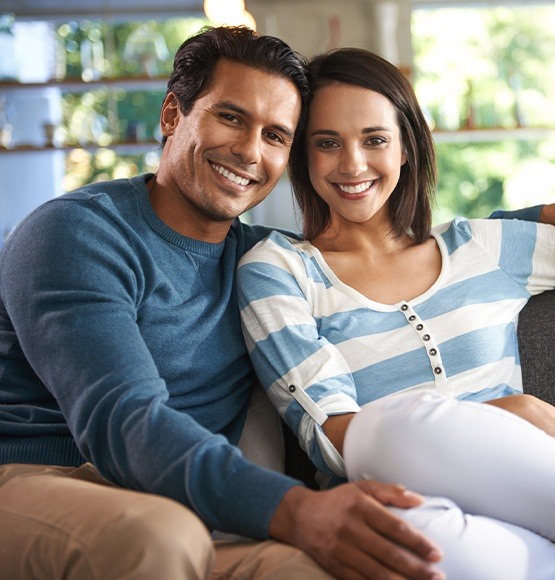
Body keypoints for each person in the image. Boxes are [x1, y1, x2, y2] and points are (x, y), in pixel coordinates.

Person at [0, 25, 458, 580]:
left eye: (276, 135)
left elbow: (409, 258)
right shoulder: (78, 233)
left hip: (192, 512)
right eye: (231, 117)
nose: (248, 151)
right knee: (158, 539)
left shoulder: (267, 265)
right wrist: (296, 509)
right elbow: (121, 420)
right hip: (43, 480)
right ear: (173, 116)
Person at [237, 46, 555, 577]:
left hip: (522, 479)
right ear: (303, 157)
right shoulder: (279, 271)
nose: (353, 164)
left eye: (375, 140)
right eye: (327, 143)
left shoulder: (484, 246)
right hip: (402, 502)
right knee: (388, 441)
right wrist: (510, 411)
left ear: (406, 147)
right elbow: (335, 436)